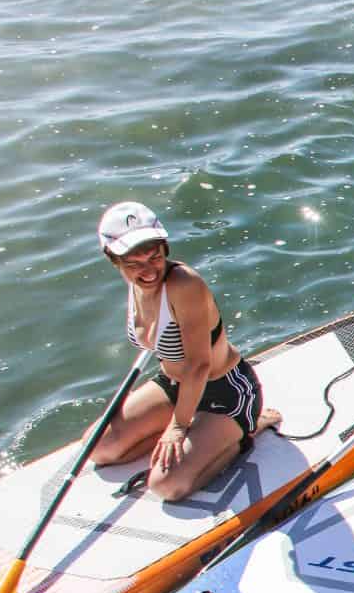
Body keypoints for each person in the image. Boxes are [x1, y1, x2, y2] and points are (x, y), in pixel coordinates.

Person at [90, 202, 273, 502]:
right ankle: (198, 436)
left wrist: (178, 426)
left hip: (224, 392)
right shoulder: (137, 285)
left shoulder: (183, 284)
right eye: (134, 263)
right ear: (114, 260)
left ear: (165, 249)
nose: (148, 271)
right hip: (175, 386)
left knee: (165, 486)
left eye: (155, 257)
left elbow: (199, 365)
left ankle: (246, 428)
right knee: (100, 448)